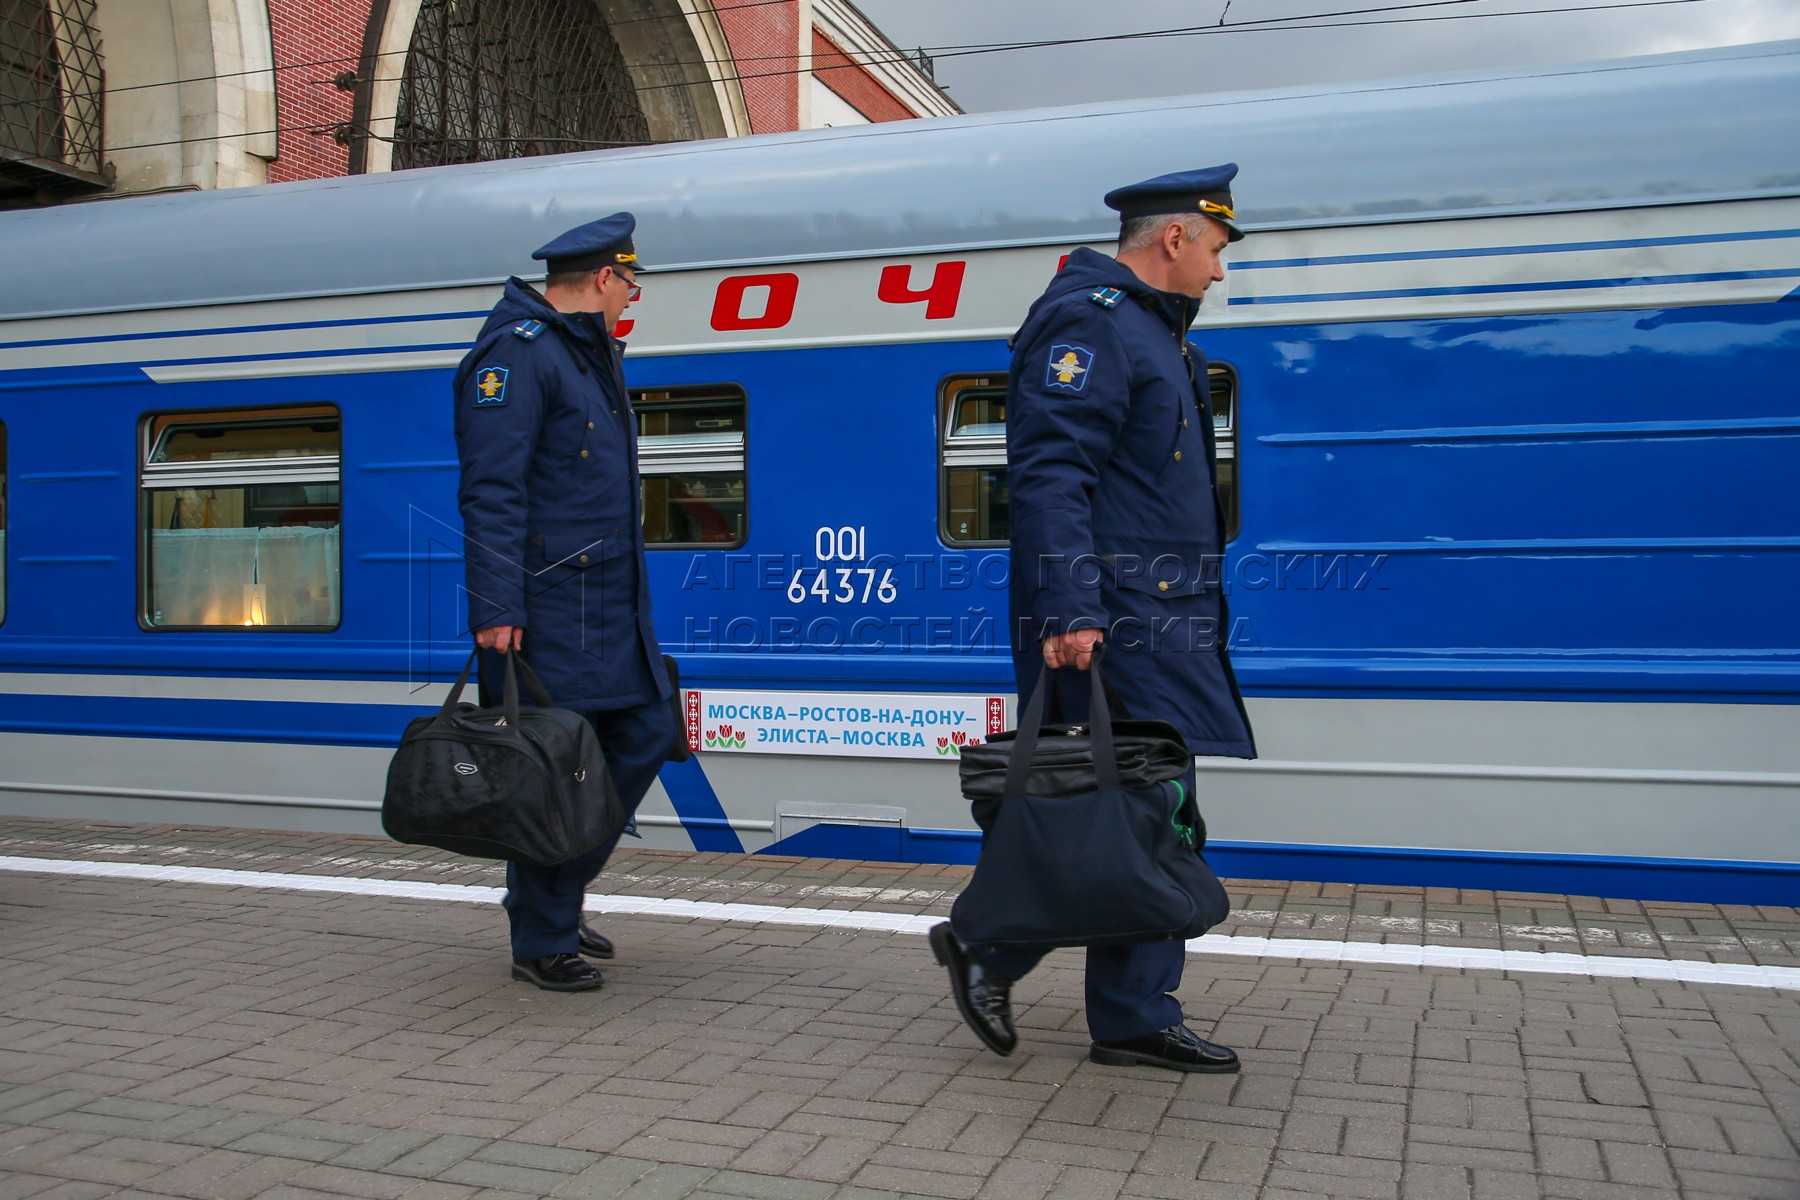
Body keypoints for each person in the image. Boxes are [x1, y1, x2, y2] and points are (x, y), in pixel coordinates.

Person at [930, 166, 1258, 1072]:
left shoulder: (1158, 337)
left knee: (1141, 809)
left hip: (1157, 614)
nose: (1219, 274)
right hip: (1113, 618)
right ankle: (1064, 980)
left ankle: (1112, 1004)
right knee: (1142, 811)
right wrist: (1072, 605)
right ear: (1176, 238)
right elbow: (1050, 475)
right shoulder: (1094, 325)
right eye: (1218, 251)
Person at [453, 212, 678, 992]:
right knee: (555, 774)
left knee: (650, 733)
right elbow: (492, 492)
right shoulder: (518, 358)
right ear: (605, 279)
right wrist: (495, 608)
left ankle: (555, 892)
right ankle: (541, 941)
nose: (633, 296)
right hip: (547, 617)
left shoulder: (585, 358)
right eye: (630, 282)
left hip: (612, 612)